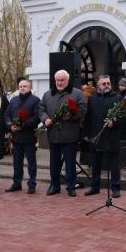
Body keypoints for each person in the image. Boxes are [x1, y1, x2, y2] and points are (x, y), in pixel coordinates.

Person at [39, 69, 86, 197]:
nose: (59, 82)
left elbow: (83, 110)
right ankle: (55, 186)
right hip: (53, 134)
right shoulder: (47, 94)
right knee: (54, 162)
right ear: (55, 81)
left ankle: (71, 187)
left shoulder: (77, 93)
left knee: (70, 163)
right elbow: (41, 109)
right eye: (57, 80)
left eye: (62, 80)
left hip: (70, 134)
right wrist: (45, 119)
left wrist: (71, 116)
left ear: (67, 80)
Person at [83, 75, 124, 198]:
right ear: (98, 85)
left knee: (114, 165)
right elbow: (88, 118)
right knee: (95, 164)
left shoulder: (118, 98)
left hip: (111, 137)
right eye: (103, 83)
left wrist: (114, 122)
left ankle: (115, 188)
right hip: (96, 136)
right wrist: (86, 134)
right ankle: (95, 187)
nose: (106, 85)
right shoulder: (93, 99)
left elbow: (124, 117)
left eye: (108, 83)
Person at [3, 78, 40, 194]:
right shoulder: (13, 100)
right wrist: (10, 125)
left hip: (29, 136)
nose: (22, 88)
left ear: (29, 88)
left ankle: (32, 184)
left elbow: (37, 117)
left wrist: (23, 126)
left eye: (25, 86)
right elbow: (7, 114)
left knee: (31, 163)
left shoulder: (35, 100)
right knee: (17, 162)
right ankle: (17, 183)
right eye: (20, 86)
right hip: (16, 137)